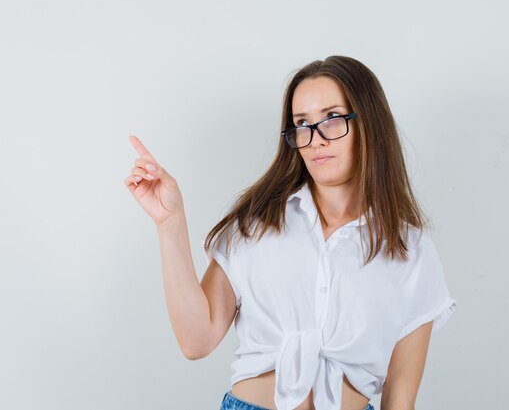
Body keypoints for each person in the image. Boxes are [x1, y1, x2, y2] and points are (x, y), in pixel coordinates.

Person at [124, 55, 457, 410]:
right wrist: (169, 223)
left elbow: (400, 399)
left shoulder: (410, 250)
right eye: (302, 124)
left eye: (332, 119)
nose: (315, 139)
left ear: (369, 123)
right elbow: (196, 341)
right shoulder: (257, 222)